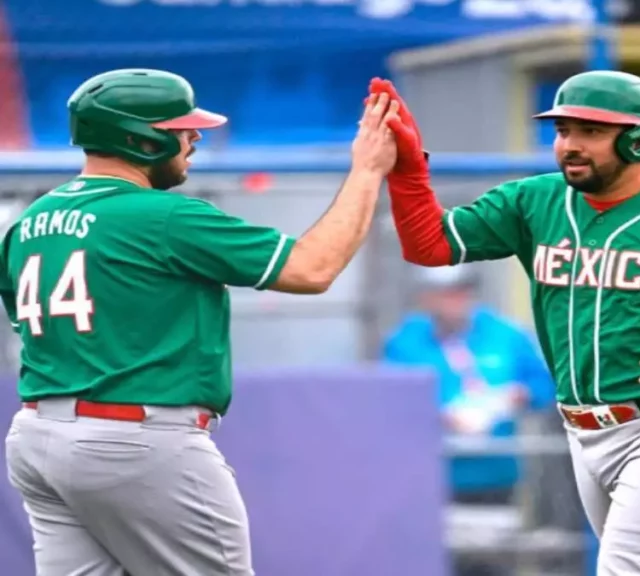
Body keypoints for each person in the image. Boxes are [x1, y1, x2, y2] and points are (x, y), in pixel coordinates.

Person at [371, 71, 640, 575]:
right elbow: (430, 245)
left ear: (639, 137)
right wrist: (409, 170)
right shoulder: (534, 201)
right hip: (585, 429)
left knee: (628, 568)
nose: (570, 145)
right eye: (564, 130)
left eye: (591, 131)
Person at [1, 68, 398, 575]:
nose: (193, 140)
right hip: (133, 440)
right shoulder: (161, 214)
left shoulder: (29, 221)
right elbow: (312, 268)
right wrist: (366, 171)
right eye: (180, 130)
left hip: (40, 435)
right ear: (136, 138)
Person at [382, 265, 555, 576]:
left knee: (488, 562)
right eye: (445, 293)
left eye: (462, 292)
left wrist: (518, 396)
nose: (455, 300)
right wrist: (436, 414)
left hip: (493, 473)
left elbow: (544, 385)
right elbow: (388, 398)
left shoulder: (506, 334)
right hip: (428, 475)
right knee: (431, 560)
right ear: (426, 299)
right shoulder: (405, 341)